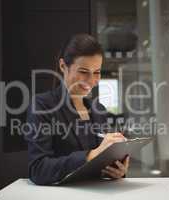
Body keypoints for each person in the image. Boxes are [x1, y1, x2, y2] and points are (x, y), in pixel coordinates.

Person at [25, 33, 129, 185]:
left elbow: (102, 159)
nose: (91, 80)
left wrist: (117, 169)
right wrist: (90, 156)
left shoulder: (98, 109)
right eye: (83, 72)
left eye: (97, 72)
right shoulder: (42, 106)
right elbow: (38, 170)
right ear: (63, 66)